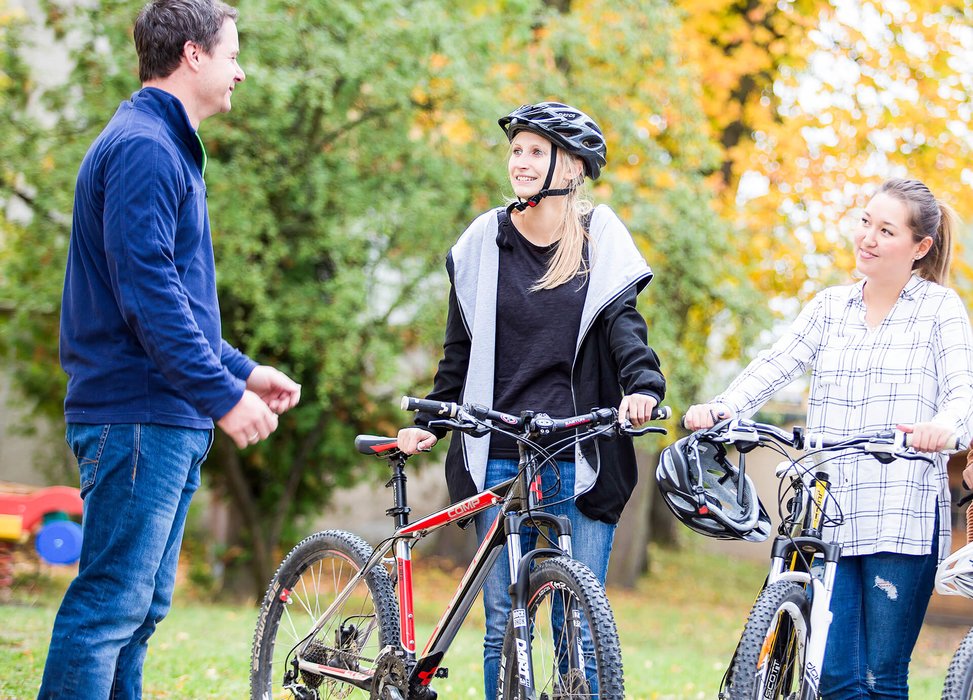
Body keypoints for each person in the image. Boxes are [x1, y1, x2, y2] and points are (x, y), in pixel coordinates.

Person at [38, 1, 301, 698]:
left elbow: (175, 299)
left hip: (162, 417)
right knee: (107, 610)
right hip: (138, 415)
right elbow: (146, 296)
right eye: (232, 54)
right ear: (192, 55)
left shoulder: (163, 146)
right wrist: (222, 396)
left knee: (139, 612)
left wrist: (241, 370)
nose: (239, 71)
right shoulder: (144, 149)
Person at [397, 101, 666, 699]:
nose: (520, 161)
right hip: (497, 448)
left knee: (581, 624)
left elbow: (626, 330)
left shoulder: (601, 239)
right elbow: (459, 346)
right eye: (516, 150)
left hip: (581, 449)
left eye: (535, 151)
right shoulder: (484, 241)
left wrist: (644, 387)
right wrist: (432, 421)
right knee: (503, 622)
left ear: (570, 167)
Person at [685, 178, 973, 698]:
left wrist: (946, 428)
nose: (868, 238)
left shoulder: (940, 309)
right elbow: (775, 364)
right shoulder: (829, 307)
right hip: (830, 512)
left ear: (920, 247)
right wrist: (723, 407)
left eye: (886, 230)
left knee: (880, 677)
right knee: (837, 678)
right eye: (866, 222)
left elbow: (962, 392)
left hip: (900, 513)